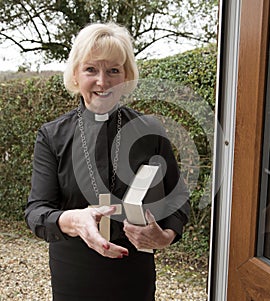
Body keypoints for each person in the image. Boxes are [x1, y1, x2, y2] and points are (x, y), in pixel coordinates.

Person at [25, 22, 190, 301]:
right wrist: (74, 220)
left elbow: (177, 196)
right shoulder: (52, 136)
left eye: (114, 70)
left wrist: (166, 236)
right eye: (91, 69)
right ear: (76, 75)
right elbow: (36, 211)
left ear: (126, 75)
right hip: (74, 273)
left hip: (133, 272)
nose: (103, 82)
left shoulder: (149, 132)